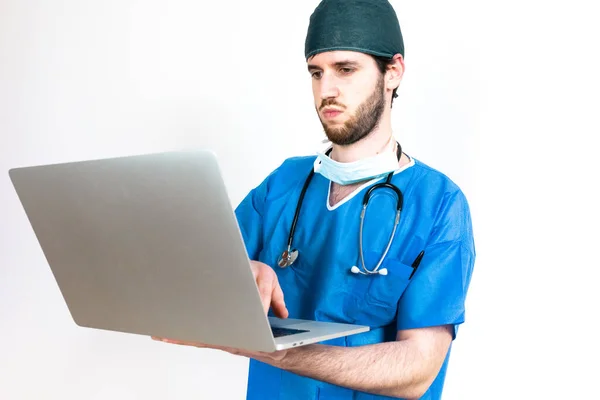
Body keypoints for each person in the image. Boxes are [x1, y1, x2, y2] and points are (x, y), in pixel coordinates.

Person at [154, 0, 476, 399]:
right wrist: (237, 275)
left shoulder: (439, 205)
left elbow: (418, 369)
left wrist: (277, 353)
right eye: (316, 73)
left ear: (392, 72)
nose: (327, 90)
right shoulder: (283, 186)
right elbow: (182, 283)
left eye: (345, 69)